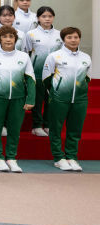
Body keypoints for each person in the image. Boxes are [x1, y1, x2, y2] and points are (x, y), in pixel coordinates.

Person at [0, 25, 35, 173]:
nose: (8, 39)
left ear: (15, 39)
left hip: (18, 98)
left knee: (14, 129)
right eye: (4, 36)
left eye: (11, 36)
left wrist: (30, 99)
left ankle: (11, 158)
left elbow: (30, 79)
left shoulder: (23, 57)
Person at [42, 26, 91, 172]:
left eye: (76, 37)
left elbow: (87, 78)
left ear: (79, 39)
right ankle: (59, 158)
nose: (73, 40)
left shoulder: (86, 57)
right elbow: (46, 78)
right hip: (59, 99)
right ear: (63, 39)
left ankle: (71, 157)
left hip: (80, 100)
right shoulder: (54, 56)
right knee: (55, 129)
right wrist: (56, 93)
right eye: (69, 37)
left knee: (75, 130)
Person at [26, 7, 62, 138]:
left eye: (50, 16)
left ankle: (47, 125)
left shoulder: (60, 34)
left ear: (53, 17)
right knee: (37, 100)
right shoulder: (31, 34)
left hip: (54, 74)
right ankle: (36, 126)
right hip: (37, 73)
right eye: (44, 16)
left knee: (51, 100)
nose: (47, 19)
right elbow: (26, 53)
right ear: (38, 18)